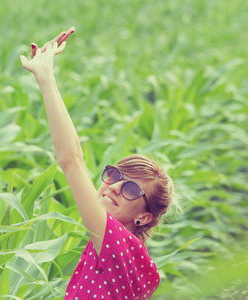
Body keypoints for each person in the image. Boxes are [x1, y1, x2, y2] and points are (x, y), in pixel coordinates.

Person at [20, 27, 176, 299]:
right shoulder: (135, 258)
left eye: (130, 189)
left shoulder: (116, 244)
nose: (114, 187)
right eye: (114, 175)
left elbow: (71, 160)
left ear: (143, 218)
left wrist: (46, 77)